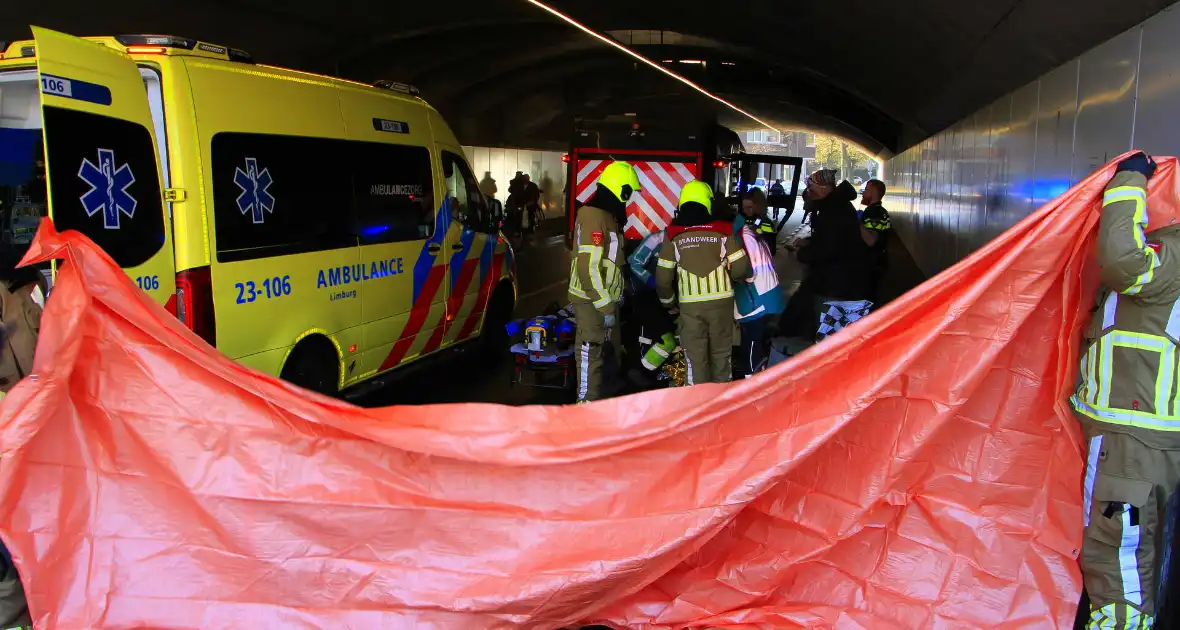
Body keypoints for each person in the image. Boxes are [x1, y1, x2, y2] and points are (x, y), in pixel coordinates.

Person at [1071, 152, 1180, 630]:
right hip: (1143, 432)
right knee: (1144, 548)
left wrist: (1129, 180)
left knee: (1118, 554)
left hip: (1132, 439)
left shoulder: (1172, 255)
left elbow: (1122, 262)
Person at [655, 180, 751, 384]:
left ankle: (698, 406)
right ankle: (722, 407)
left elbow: (663, 279)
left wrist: (669, 303)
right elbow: (742, 268)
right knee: (721, 357)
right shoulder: (724, 231)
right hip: (721, 305)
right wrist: (736, 279)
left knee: (695, 361)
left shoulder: (673, 236)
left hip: (690, 307)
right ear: (707, 203)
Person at [568, 162, 639, 403]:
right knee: (591, 352)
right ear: (621, 190)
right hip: (593, 302)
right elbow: (588, 268)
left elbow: (611, 260)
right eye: (628, 193)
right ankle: (584, 406)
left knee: (610, 355)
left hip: (606, 301)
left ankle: (601, 406)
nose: (628, 200)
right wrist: (605, 307)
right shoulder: (593, 216)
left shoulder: (607, 216)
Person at [794, 170, 874, 341]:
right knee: (838, 334)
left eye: (811, 187)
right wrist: (809, 242)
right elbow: (833, 239)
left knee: (828, 335)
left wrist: (803, 254)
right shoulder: (839, 206)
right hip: (844, 281)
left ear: (823, 189)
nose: (808, 192)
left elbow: (829, 248)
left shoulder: (832, 211)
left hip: (834, 285)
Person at [733, 193, 784, 377]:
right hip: (767, 294)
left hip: (756, 297)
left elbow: (740, 269)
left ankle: (751, 384)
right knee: (756, 341)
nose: (748, 211)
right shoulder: (746, 230)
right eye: (745, 208)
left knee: (752, 343)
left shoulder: (741, 233)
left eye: (750, 208)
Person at [859, 179, 892, 303]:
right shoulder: (877, 211)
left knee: (867, 300)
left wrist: (858, 224)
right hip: (876, 261)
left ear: (873, 192)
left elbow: (871, 241)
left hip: (872, 263)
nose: (863, 193)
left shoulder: (875, 213)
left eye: (866, 190)